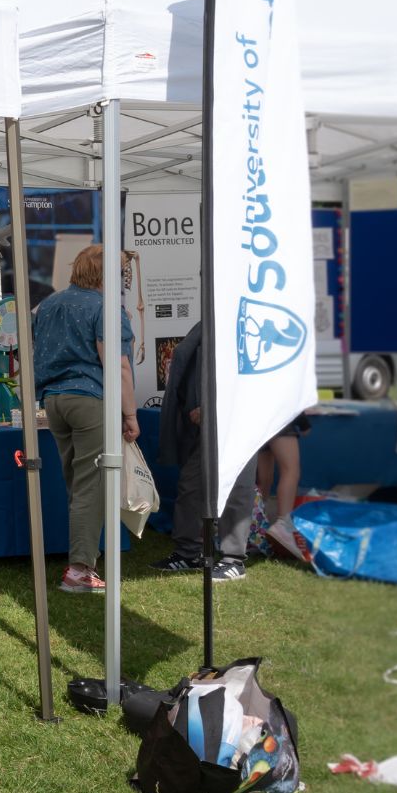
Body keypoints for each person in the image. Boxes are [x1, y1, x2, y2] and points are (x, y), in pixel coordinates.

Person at [31, 244, 137, 594]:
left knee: (78, 485)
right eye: (121, 272)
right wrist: (130, 413)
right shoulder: (106, 307)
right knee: (90, 487)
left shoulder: (48, 305)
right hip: (89, 399)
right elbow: (118, 366)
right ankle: (80, 570)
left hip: (54, 402)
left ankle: (81, 560)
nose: (123, 279)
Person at [151, 326, 256, 581]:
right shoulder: (208, 322)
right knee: (191, 485)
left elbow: (246, 376)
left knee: (236, 487)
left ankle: (233, 559)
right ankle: (189, 553)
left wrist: (210, 407)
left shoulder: (244, 324)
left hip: (237, 420)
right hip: (205, 425)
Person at [257, 416, 313, 561]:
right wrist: (304, 423)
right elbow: (292, 395)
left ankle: (257, 528)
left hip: (258, 418)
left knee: (264, 480)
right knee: (290, 471)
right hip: (281, 418)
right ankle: (283, 524)